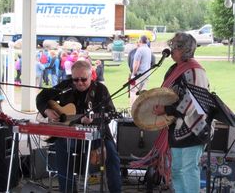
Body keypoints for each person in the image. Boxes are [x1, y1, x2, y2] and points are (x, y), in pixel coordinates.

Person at [36, 60, 122, 193]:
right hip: (68, 134)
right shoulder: (66, 86)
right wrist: (47, 110)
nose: (79, 83)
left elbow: (108, 114)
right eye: (75, 79)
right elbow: (42, 97)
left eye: (83, 79)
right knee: (62, 155)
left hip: (97, 135)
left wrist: (91, 121)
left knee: (112, 156)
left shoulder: (100, 90)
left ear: (91, 76)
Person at [147, 32, 212, 193]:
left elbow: (193, 100)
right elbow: (169, 94)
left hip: (194, 129)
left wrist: (167, 110)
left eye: (175, 46)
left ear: (184, 49)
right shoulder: (175, 69)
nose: (171, 49)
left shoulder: (195, 71)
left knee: (188, 169)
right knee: (176, 170)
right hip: (177, 128)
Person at [129, 35, 153, 106]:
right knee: (142, 93)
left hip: (138, 75)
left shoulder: (140, 50)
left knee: (133, 92)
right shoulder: (149, 50)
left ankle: (132, 110)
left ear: (140, 41)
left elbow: (136, 64)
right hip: (146, 75)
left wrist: (133, 74)